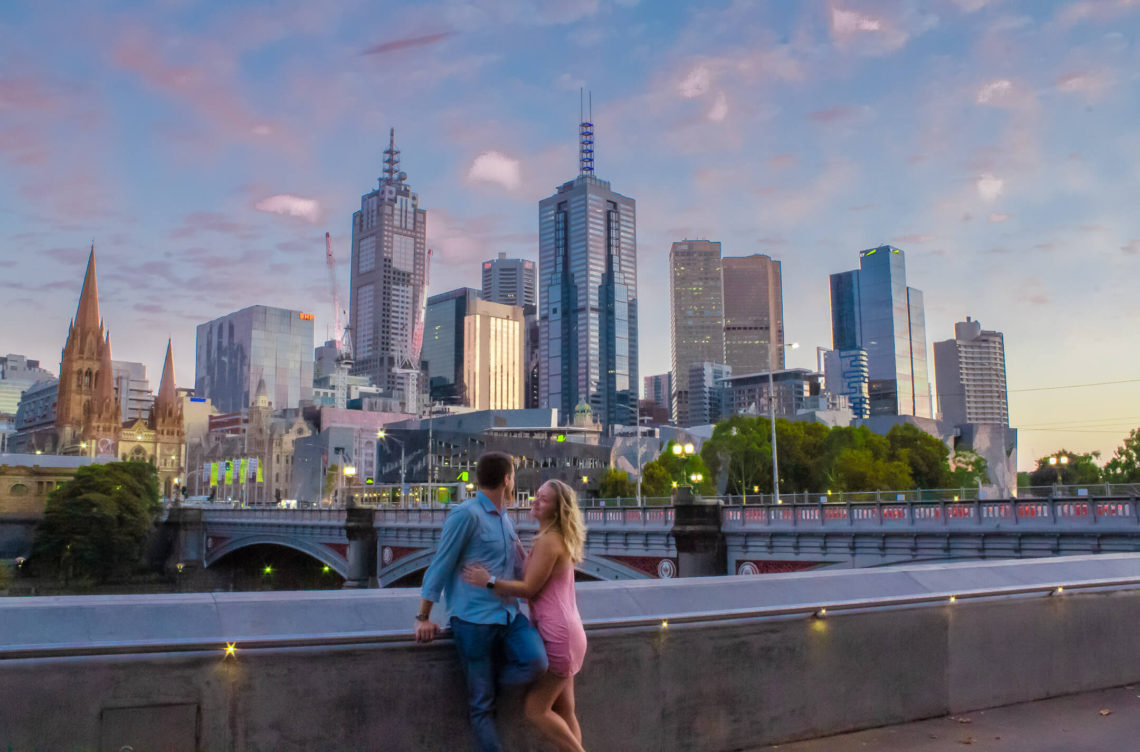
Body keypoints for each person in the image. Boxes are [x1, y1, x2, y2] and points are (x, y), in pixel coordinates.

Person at [414, 452, 548, 752]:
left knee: (536, 661)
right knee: (481, 709)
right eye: (513, 476)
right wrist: (423, 616)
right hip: (473, 621)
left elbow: (517, 568)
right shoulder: (466, 514)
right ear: (506, 479)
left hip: (508, 616)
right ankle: (484, 699)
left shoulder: (504, 519)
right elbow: (441, 564)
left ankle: (486, 689)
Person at [463, 479, 588, 752]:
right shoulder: (551, 539)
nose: (535, 500)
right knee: (565, 711)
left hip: (557, 636)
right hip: (570, 633)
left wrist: (489, 581)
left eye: (543, 499)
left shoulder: (549, 542)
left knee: (535, 710)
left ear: (557, 510)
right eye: (537, 495)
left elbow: (529, 589)